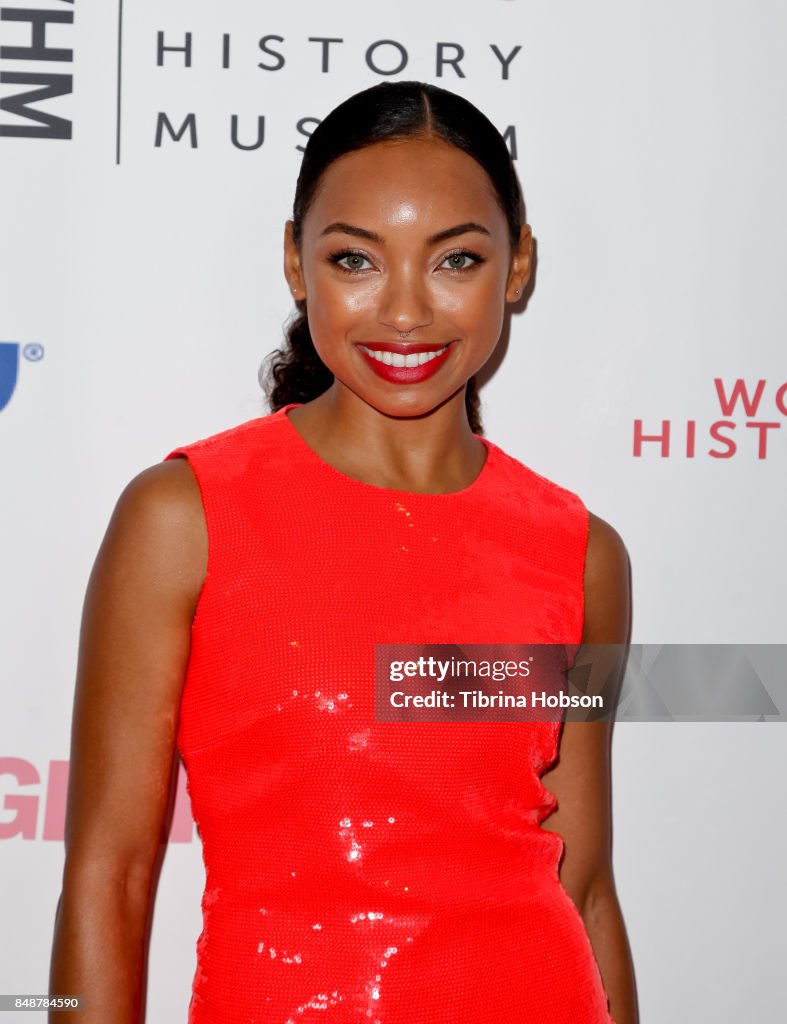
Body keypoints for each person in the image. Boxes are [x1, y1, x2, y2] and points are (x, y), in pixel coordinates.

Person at [49, 81, 638, 1023]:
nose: (404, 312)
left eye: (456, 260)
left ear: (518, 268)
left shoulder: (578, 553)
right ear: (295, 262)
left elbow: (586, 882)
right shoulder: (184, 516)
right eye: (356, 258)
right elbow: (107, 877)